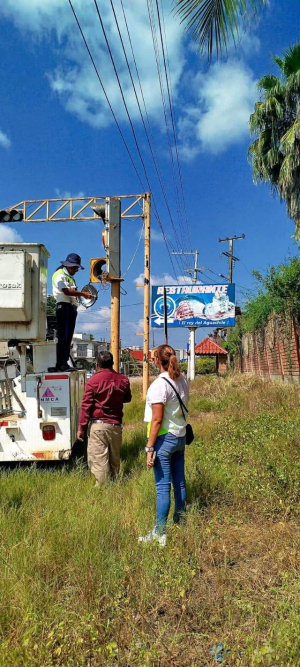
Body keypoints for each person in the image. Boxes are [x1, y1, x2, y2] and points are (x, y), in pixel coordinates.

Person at [139, 344, 189, 547]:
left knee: (162, 488)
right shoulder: (182, 380)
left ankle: (159, 533)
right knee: (179, 483)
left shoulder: (159, 385)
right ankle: (179, 522)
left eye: (152, 358)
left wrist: (149, 448)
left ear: (157, 361)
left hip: (164, 439)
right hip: (180, 437)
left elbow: (157, 420)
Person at [77, 351, 132, 484]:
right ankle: (115, 488)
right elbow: (128, 398)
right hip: (116, 427)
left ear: (97, 364)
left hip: (98, 427)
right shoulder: (123, 379)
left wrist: (81, 428)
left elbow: (86, 407)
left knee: (99, 464)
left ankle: (102, 492)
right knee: (114, 463)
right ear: (112, 363)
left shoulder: (93, 381)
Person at [52, 253, 91, 371]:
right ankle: (61, 364)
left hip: (70, 307)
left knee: (68, 338)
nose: (76, 270)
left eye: (77, 268)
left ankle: (64, 363)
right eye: (74, 267)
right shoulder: (59, 275)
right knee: (63, 337)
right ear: (68, 265)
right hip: (63, 307)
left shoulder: (69, 276)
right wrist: (83, 294)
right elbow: (67, 291)